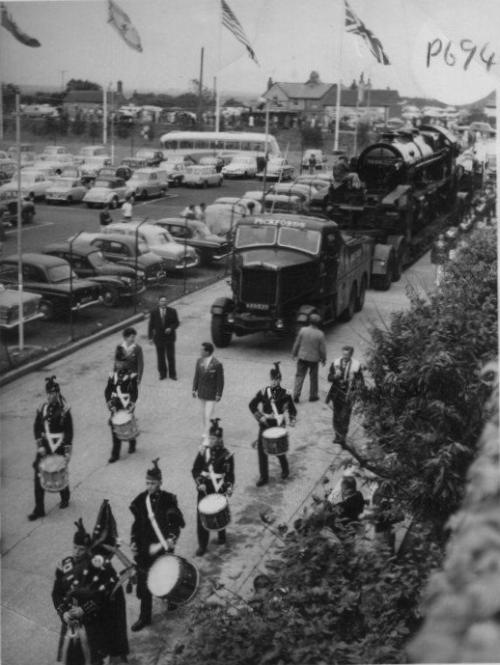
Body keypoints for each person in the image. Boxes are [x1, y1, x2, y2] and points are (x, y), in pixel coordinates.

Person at [52, 518, 129, 665]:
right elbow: (56, 594)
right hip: (70, 624)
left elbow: (103, 597)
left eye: (81, 549)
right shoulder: (64, 566)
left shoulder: (97, 570)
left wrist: (84, 610)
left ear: (88, 551)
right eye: (74, 547)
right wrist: (63, 613)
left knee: (93, 659)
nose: (76, 552)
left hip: (92, 626)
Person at [129, 459, 186, 631]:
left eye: (153, 483)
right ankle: (144, 617)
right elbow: (136, 524)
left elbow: (176, 524)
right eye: (147, 483)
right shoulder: (140, 500)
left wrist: (171, 539)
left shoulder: (168, 499)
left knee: (166, 576)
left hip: (163, 546)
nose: (149, 486)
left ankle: (171, 599)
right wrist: (133, 541)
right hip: (145, 548)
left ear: (160, 483)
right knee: (145, 581)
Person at [29, 376, 73, 520]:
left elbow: (69, 431)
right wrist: (40, 445)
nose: (50, 396)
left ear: (57, 393)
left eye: (53, 393)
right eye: (48, 393)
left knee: (59, 472)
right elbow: (37, 427)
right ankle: (39, 509)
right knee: (38, 475)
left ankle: (65, 496)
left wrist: (66, 451)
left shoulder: (64, 410)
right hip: (46, 447)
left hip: (58, 446)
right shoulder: (42, 408)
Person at [249, 362, 297, 487]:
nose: (274, 382)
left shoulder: (286, 394)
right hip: (264, 424)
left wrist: (292, 419)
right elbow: (252, 405)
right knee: (261, 451)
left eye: (276, 379)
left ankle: (285, 469)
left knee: (278, 450)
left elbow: (292, 409)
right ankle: (264, 477)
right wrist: (260, 418)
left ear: (280, 379)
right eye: (272, 379)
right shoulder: (264, 391)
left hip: (278, 425)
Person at [191, 418, 235, 556]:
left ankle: (222, 536)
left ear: (220, 439)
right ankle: (202, 545)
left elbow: (229, 474)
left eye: (213, 438)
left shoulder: (227, 455)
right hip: (204, 489)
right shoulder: (204, 452)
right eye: (210, 437)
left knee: (220, 511)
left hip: (218, 488)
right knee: (202, 516)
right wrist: (200, 483)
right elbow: (195, 469)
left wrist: (228, 486)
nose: (210, 440)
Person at [105, 346, 139, 463]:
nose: (119, 365)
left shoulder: (131, 376)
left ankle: (132, 442)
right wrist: (108, 401)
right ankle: (115, 454)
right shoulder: (112, 376)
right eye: (117, 362)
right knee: (115, 429)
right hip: (115, 404)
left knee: (128, 426)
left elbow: (134, 391)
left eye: (122, 362)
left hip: (126, 404)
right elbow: (108, 390)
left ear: (125, 363)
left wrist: (133, 403)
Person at [325, 346, 364, 445]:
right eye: (343, 354)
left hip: (349, 393)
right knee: (336, 415)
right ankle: (337, 434)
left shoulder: (356, 365)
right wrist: (335, 376)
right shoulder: (336, 363)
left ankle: (343, 435)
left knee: (345, 415)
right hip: (337, 393)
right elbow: (329, 377)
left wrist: (357, 390)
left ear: (351, 355)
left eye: (347, 355)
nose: (344, 357)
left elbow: (361, 381)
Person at [192, 342, 224, 444]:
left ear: (207, 352)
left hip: (211, 394)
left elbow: (220, 380)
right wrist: (194, 388)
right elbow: (196, 376)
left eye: (202, 350)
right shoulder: (199, 361)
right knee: (203, 414)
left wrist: (219, 393)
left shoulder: (216, 364)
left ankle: (207, 438)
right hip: (201, 392)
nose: (200, 351)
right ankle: (208, 431)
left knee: (208, 414)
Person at [292, 312, 327, 403]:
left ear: (309, 321)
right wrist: (323, 359)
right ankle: (313, 395)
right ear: (318, 323)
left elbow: (297, 343)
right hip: (314, 359)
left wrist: (294, 353)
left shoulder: (303, 330)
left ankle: (296, 394)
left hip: (302, 357)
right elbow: (322, 349)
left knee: (299, 376)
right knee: (313, 377)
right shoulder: (320, 334)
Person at [148, 296, 179, 381]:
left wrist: (171, 328)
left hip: (169, 338)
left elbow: (176, 323)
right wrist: (150, 337)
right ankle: (162, 374)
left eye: (165, 301)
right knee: (160, 357)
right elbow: (151, 325)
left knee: (170, 357)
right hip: (159, 338)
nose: (164, 303)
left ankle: (172, 374)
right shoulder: (154, 312)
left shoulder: (172, 311)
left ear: (167, 302)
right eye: (162, 301)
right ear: (158, 302)